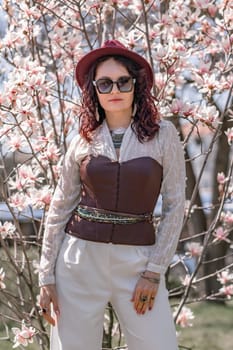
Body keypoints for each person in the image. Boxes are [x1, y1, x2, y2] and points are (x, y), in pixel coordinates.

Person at [39, 39, 186, 350]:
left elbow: (175, 206)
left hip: (138, 264)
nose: (114, 89)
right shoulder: (81, 140)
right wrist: (46, 276)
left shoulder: (164, 136)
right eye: (104, 83)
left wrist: (154, 270)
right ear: (94, 89)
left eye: (123, 81)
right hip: (78, 261)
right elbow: (59, 209)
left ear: (136, 85)